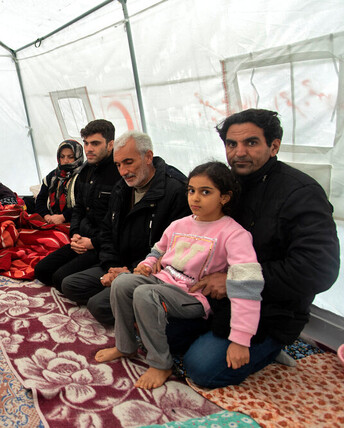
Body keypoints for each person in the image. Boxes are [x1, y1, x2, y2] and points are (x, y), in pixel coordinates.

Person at [180, 109, 339, 388]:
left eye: (251, 143)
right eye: (232, 144)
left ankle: (270, 346)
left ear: (274, 145)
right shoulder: (223, 184)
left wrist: (234, 280)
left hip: (273, 308)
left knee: (202, 368)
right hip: (215, 297)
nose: (239, 152)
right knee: (155, 332)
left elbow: (319, 269)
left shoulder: (300, 192)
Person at [95, 161, 264, 390]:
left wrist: (241, 339)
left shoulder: (234, 234)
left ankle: (160, 363)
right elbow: (159, 248)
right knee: (123, 282)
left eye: (205, 192)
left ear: (224, 197)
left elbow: (248, 286)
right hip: (163, 282)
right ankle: (125, 345)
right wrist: (148, 263)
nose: (195, 198)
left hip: (193, 297)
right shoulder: (180, 224)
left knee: (146, 294)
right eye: (191, 191)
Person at [61, 130, 190, 325]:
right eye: (118, 165)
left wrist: (129, 273)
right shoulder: (122, 187)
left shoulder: (175, 191)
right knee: (70, 284)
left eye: (128, 162)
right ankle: (121, 296)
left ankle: (140, 310)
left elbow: (172, 252)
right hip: (119, 263)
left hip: (147, 272)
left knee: (98, 306)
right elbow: (107, 231)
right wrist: (112, 266)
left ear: (148, 157)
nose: (123, 171)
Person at [34, 120, 120, 290]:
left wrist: (93, 242)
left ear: (110, 145)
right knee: (41, 271)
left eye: (95, 143)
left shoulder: (118, 172)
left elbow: (118, 221)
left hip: (102, 245)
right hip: (81, 239)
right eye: (86, 143)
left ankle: (107, 276)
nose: (89, 149)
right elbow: (79, 208)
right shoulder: (86, 171)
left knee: (61, 280)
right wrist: (74, 234)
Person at [34, 139, 84, 224]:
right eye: (62, 156)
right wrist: (46, 216)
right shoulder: (52, 177)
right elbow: (40, 200)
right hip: (51, 220)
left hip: (75, 222)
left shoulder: (83, 176)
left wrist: (63, 217)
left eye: (70, 157)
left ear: (77, 157)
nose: (65, 160)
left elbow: (83, 205)